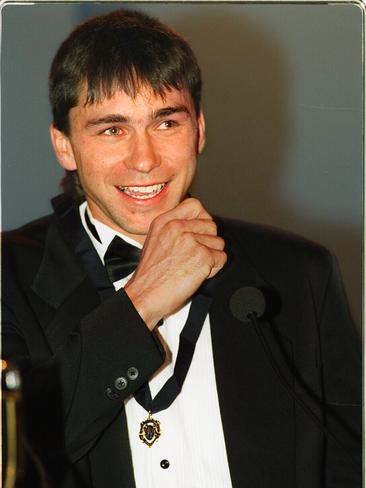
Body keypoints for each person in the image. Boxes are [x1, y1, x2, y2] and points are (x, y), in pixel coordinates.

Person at [1, 8, 361, 488]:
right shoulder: (6, 274)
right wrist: (142, 300)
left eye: (166, 123)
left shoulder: (301, 273)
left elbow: (348, 462)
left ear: (200, 130)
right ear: (64, 146)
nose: (145, 159)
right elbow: (12, 455)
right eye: (112, 129)